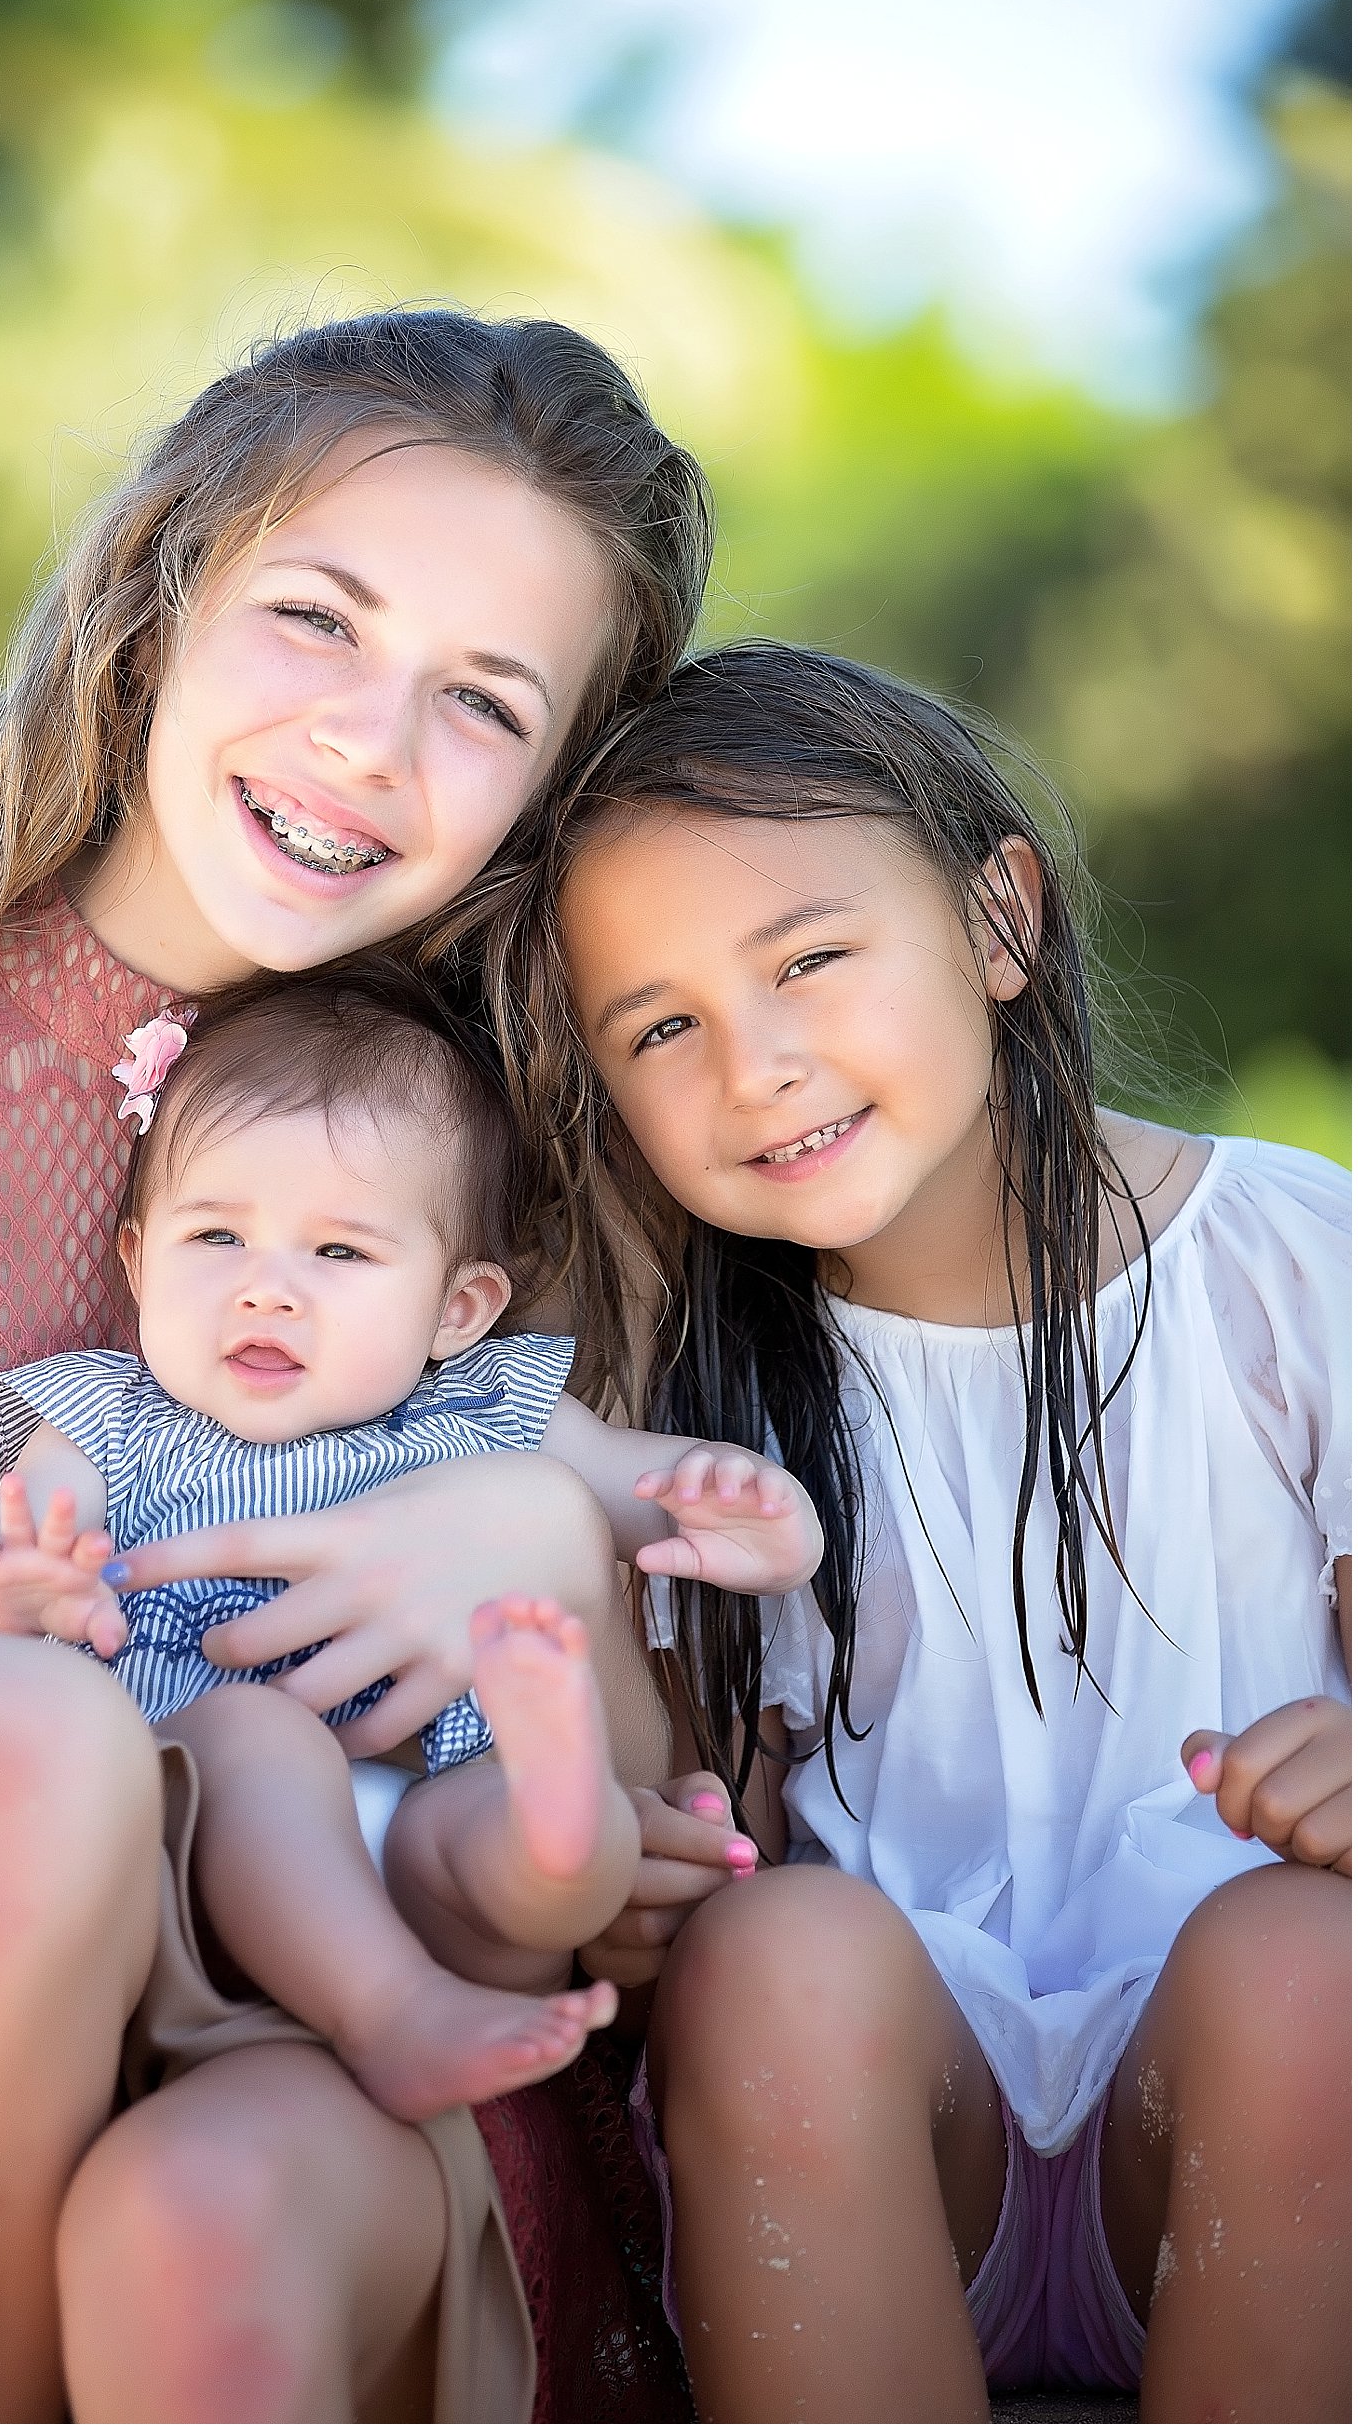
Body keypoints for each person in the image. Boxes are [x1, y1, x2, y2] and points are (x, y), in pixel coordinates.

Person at [0, 309, 724, 2424]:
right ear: (163, 588)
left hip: (334, 2067)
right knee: (9, 1727)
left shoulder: (513, 1166)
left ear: (552, 792)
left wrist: (534, 1520)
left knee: (207, 2217)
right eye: (316, 620)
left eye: (482, 702)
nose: (368, 743)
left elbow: (612, 1854)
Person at [522, 640, 1351, 2423]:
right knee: (770, 1955)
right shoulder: (681, 1395)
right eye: (663, 1025)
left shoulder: (1287, 1259)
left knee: (1318, 1958)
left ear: (998, 919)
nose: (758, 1065)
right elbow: (683, 1829)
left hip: (1247, 2118)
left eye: (812, 957)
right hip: (894, 2136)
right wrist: (639, 1872)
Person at [0, 966, 818, 2122]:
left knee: (488, 1818)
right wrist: (11, 1582)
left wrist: (761, 1515)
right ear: (137, 1263)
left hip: (427, 1832)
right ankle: (394, 2009)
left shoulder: (489, 1404)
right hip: (199, 1874)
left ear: (458, 1310)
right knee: (250, 1734)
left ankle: (557, 1816)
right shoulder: (113, 1420)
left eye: (338, 1255)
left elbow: (657, 1492)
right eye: (218, 1237)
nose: (268, 1292)